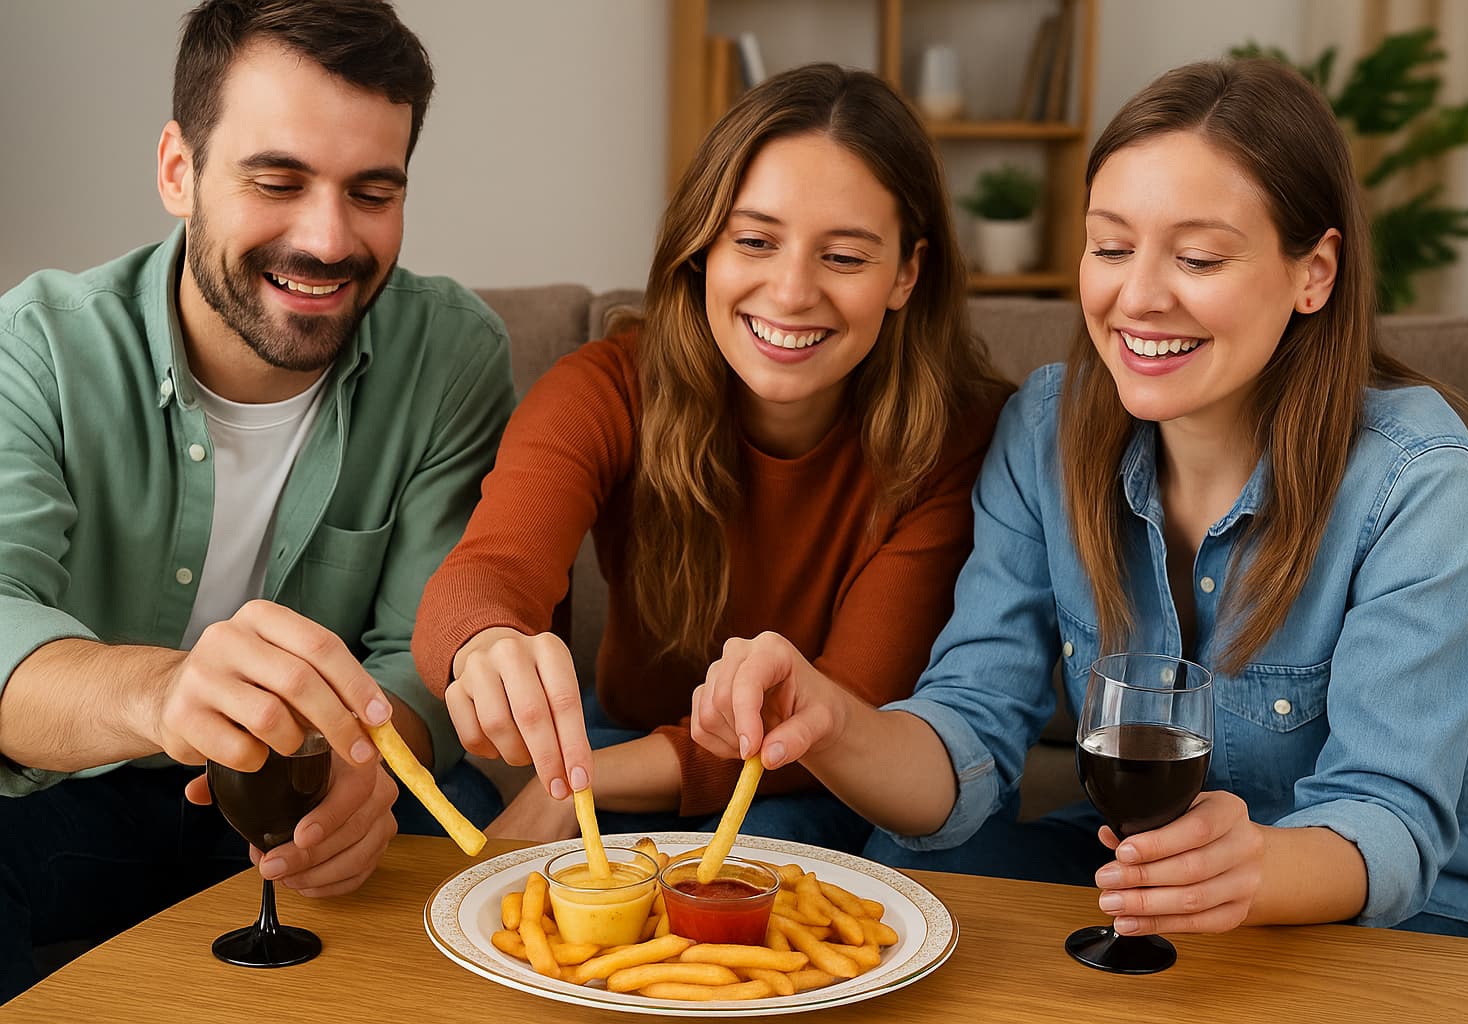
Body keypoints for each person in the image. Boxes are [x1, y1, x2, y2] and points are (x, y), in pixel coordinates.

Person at [689, 59, 1468, 943]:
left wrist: (1252, 866)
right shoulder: (1047, 431)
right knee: (907, 886)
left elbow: (1390, 817)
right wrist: (829, 722)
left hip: (1411, 923)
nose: (1138, 297)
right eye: (1111, 246)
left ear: (1314, 272)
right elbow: (969, 733)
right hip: (1138, 881)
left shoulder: (1412, 476)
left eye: (1200, 257)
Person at [0, 0, 513, 1002]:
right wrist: (161, 693)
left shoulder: (452, 355)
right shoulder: (42, 346)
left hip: (321, 790)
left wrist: (372, 763)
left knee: (449, 814)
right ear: (178, 169)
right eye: (277, 181)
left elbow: (421, 652)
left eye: (373, 192)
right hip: (80, 797)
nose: (327, 239)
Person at [412, 63, 1009, 851]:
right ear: (703, 250)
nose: (791, 292)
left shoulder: (960, 435)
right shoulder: (607, 387)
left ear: (906, 273)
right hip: (611, 744)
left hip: (800, 782)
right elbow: (487, 572)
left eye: (845, 257)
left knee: (783, 842)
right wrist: (486, 644)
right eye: (755, 241)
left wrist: (573, 790)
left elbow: (846, 713)